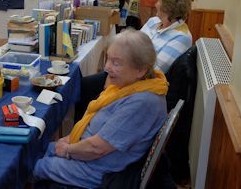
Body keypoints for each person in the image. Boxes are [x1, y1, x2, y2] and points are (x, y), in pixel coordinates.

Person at [34, 30, 168, 188]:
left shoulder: (143, 102)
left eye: (115, 63)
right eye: (108, 59)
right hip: (88, 155)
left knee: (32, 166)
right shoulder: (131, 86)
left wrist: (68, 150)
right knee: (32, 150)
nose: (106, 67)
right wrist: (70, 139)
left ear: (141, 70)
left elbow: (96, 148)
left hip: (97, 170)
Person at [141, 0, 192, 74]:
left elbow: (155, 71)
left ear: (167, 7)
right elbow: (132, 43)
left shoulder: (181, 38)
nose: (155, 4)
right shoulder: (153, 21)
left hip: (144, 81)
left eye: (159, 1)